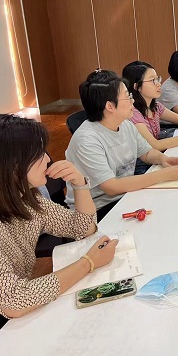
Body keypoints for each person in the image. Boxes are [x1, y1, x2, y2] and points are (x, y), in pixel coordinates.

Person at [0, 114, 118, 322]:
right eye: (39, 154)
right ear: (14, 166)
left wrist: (80, 183)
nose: (48, 159)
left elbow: (84, 228)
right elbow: (13, 303)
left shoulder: (27, 198)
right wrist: (88, 263)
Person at [65, 70, 178, 220]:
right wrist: (162, 175)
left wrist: (163, 159)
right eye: (128, 97)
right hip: (97, 210)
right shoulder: (86, 140)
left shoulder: (125, 124)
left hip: (125, 196)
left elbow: (146, 152)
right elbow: (112, 187)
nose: (133, 101)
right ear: (110, 106)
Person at [122, 61, 178, 151]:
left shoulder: (156, 106)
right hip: (144, 158)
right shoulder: (133, 112)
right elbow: (155, 145)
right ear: (137, 86)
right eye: (153, 80)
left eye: (157, 79)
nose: (158, 84)